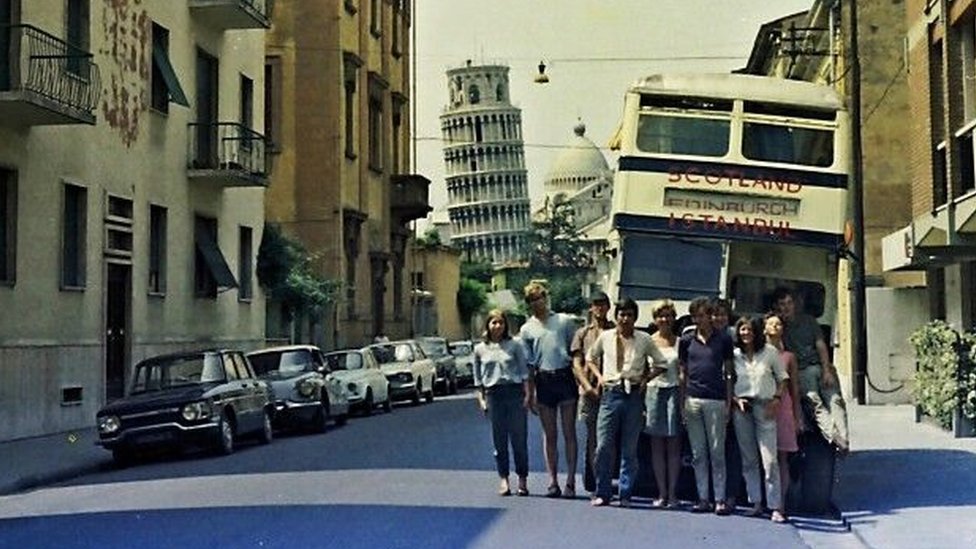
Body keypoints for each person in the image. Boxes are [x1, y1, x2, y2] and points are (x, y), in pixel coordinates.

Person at [587, 297, 666, 507]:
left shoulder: (644, 339)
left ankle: (625, 493)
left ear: (635, 317)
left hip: (633, 396)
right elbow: (590, 357)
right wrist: (599, 377)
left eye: (629, 315)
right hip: (610, 393)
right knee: (603, 445)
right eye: (622, 314)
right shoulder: (605, 337)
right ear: (616, 316)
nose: (625, 319)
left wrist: (646, 379)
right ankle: (602, 491)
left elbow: (661, 363)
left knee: (629, 448)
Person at [519, 281, 579, 498]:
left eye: (540, 297)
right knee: (549, 434)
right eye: (532, 300)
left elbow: (575, 354)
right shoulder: (527, 329)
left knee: (569, 431)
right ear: (528, 304)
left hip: (564, 376)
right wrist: (530, 392)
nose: (538, 302)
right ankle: (552, 481)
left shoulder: (564, 321)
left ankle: (571, 480)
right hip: (543, 379)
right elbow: (529, 365)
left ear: (546, 297)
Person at [772, 287, 849, 453]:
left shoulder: (809, 321)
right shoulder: (779, 326)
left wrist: (827, 369)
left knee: (835, 399)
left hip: (819, 366)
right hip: (801, 370)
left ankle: (845, 438)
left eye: (789, 303)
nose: (786, 307)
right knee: (814, 401)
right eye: (782, 304)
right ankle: (834, 437)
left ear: (795, 304)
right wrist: (780, 324)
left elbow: (820, 345)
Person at [679, 296, 735, 515]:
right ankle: (703, 498)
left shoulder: (724, 340)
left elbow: (729, 373)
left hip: (717, 400)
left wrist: (729, 402)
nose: (699, 319)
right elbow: (683, 372)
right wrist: (683, 401)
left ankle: (719, 499)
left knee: (716, 452)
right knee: (698, 453)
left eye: (702, 315)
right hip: (692, 399)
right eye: (695, 316)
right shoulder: (686, 340)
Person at [731, 316, 789, 523]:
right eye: (742, 330)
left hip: (765, 406)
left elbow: (783, 378)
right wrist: (735, 399)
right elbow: (728, 380)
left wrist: (776, 399)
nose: (745, 333)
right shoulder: (735, 354)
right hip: (742, 407)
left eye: (749, 330)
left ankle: (775, 506)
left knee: (770, 459)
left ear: (756, 332)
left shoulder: (770, 353)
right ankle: (755, 502)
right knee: (749, 459)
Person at [473, 309, 533, 497]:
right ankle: (504, 479)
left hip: (514, 393)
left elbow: (524, 372)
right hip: (494, 395)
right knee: (499, 441)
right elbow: (477, 380)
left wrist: (528, 395)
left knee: (519, 440)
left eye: (501, 323)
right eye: (494, 323)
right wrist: (482, 401)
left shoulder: (514, 345)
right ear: (488, 326)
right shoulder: (480, 349)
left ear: (505, 325)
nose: (497, 326)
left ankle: (522, 479)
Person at [571, 291, 615, 495]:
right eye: (596, 304)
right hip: (589, 393)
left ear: (608, 307)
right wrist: (587, 387)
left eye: (603, 304)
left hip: (613, 390)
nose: (599, 308)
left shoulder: (616, 330)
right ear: (591, 308)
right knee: (593, 439)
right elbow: (576, 364)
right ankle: (597, 482)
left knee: (610, 439)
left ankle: (609, 479)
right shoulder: (582, 334)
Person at [644, 299, 682, 509]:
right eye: (660, 316)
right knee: (657, 445)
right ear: (655, 319)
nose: (664, 319)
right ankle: (661, 493)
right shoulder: (648, 341)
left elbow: (684, 372)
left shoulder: (680, 341)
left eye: (668, 315)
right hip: (653, 393)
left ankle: (673, 494)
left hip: (674, 392)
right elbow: (642, 371)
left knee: (674, 446)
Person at [764, 312, 803, 516]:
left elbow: (794, 388)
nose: (775, 327)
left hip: (783, 408)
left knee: (781, 458)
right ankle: (764, 500)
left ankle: (780, 504)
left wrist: (797, 416)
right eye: (771, 324)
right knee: (766, 458)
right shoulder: (758, 354)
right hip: (763, 406)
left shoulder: (789, 357)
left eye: (779, 324)